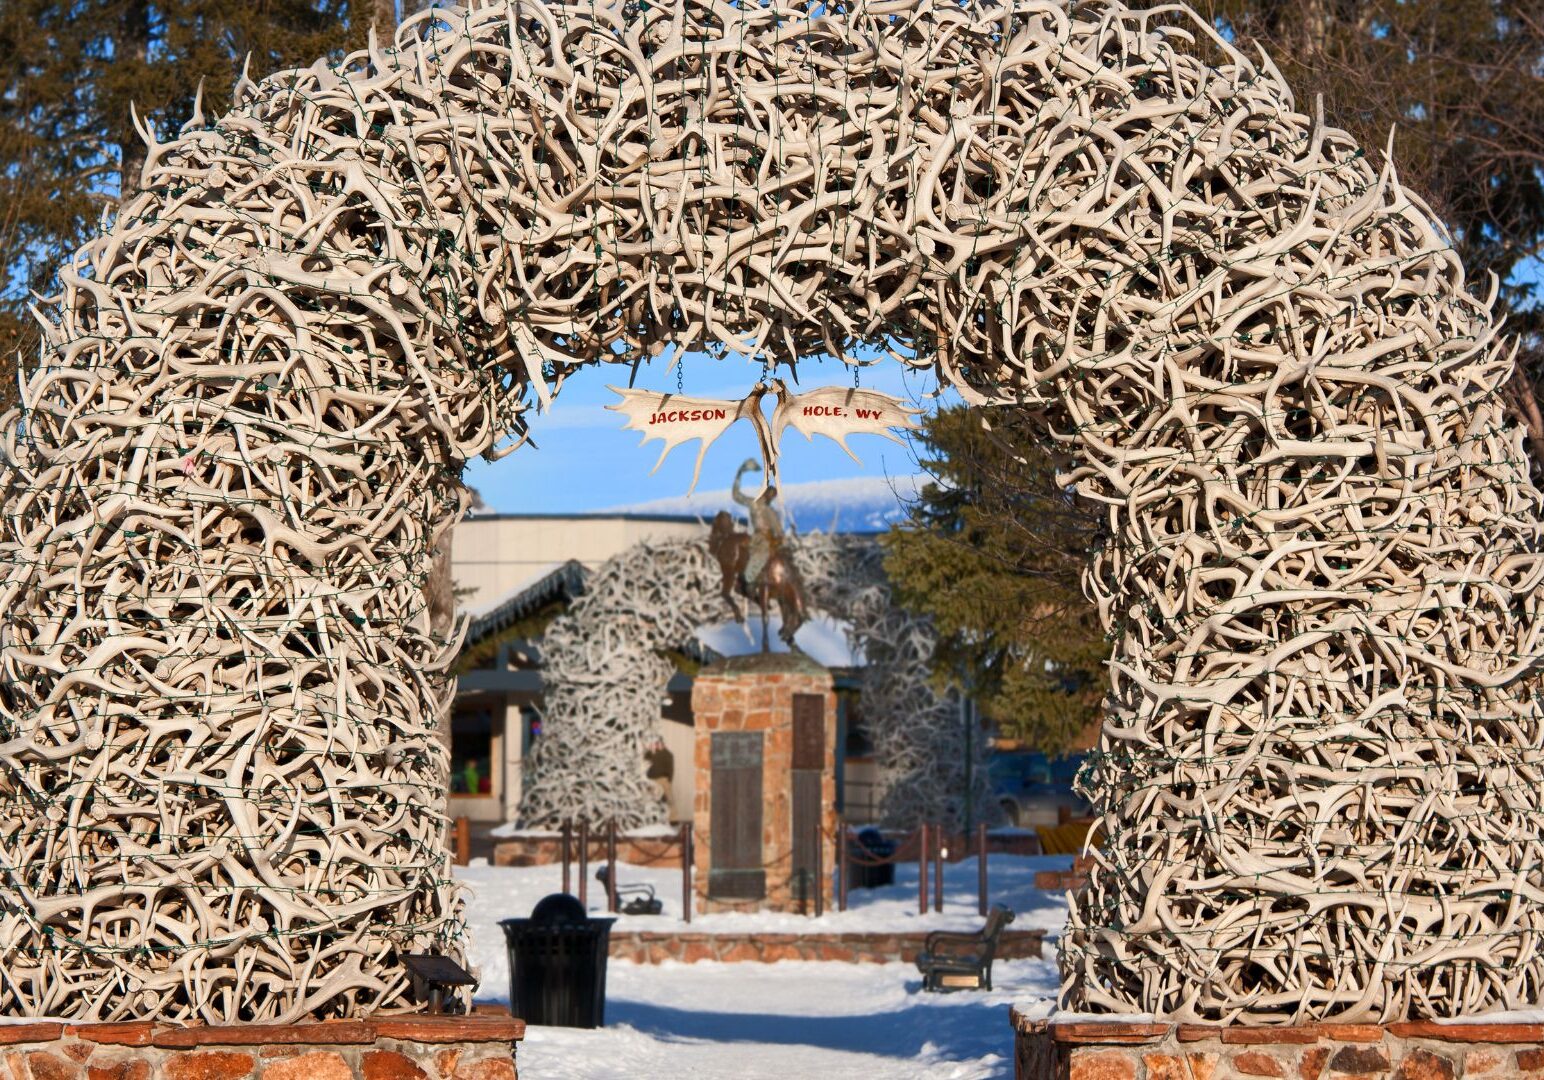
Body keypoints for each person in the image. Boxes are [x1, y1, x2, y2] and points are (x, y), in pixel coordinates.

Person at [731, 458, 784, 590]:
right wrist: (739, 475)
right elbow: (736, 495)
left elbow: (778, 530)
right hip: (759, 540)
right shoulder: (754, 504)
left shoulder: (771, 512)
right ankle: (748, 581)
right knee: (760, 556)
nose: (771, 498)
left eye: (773, 496)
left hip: (771, 541)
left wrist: (780, 539)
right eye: (770, 495)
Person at [645, 738, 674, 808]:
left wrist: (668, 781)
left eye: (658, 743)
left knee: (667, 801)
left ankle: (672, 817)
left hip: (661, 780)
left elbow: (670, 769)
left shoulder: (667, 754)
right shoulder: (653, 753)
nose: (657, 745)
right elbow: (671, 770)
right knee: (655, 801)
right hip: (654, 781)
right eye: (656, 743)